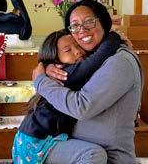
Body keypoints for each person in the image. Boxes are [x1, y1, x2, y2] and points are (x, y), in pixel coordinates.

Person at [33, 0, 143, 163]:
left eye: (89, 21)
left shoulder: (120, 61)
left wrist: (42, 82)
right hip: (81, 154)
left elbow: (82, 107)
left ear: (103, 22)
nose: (82, 30)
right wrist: (50, 69)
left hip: (108, 158)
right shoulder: (91, 59)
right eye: (75, 26)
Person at [13, 28, 121, 164]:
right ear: (55, 59)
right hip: (37, 141)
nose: (77, 51)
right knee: (93, 154)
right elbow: (99, 56)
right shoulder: (65, 74)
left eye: (77, 45)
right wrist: (113, 36)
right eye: (67, 50)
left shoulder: (58, 72)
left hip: (32, 137)